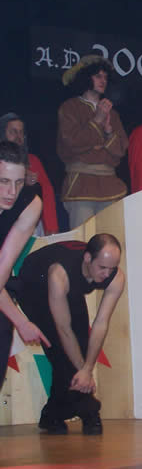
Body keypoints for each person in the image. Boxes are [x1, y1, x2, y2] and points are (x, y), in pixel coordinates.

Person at [12, 234, 125, 434]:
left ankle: (52, 414)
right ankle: (89, 410)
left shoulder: (116, 277)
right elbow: (63, 329)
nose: (107, 274)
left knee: (81, 346)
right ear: (88, 258)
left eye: (112, 268)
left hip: (68, 285)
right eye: (102, 267)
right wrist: (83, 372)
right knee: (61, 351)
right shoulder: (59, 274)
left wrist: (87, 369)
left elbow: (101, 324)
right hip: (34, 284)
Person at [57, 55, 128, 229]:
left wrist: (108, 131)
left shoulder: (113, 113)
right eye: (98, 76)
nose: (103, 81)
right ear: (86, 78)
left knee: (112, 238)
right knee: (82, 239)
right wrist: (97, 121)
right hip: (81, 185)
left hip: (110, 185)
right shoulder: (70, 107)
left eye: (105, 77)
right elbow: (71, 143)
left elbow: (121, 150)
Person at [0, 141, 48, 390]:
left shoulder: (31, 204)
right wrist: (20, 321)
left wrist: (20, 322)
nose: (12, 192)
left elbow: (3, 267)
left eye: (19, 182)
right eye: (4, 181)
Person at [0, 112, 59, 235]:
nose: (18, 136)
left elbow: (47, 193)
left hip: (29, 224)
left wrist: (51, 226)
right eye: (13, 132)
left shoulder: (33, 161)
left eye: (21, 132)